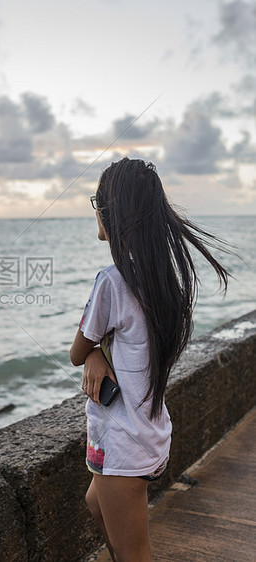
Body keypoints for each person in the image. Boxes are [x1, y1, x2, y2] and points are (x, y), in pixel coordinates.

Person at [69, 157, 233, 561]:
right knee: (96, 504)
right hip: (149, 432)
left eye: (97, 203)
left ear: (110, 214)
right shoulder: (163, 281)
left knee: (135, 554)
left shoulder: (112, 281)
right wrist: (98, 355)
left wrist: (90, 354)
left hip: (123, 442)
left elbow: (75, 352)